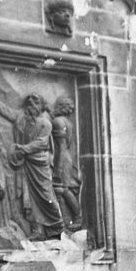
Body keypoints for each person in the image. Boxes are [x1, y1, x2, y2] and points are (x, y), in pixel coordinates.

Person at [8, 93, 65, 241]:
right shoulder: (22, 121)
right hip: (27, 164)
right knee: (28, 199)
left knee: (46, 196)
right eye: (29, 103)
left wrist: (23, 148)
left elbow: (41, 143)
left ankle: (58, 228)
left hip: (39, 163)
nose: (31, 106)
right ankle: (37, 230)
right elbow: (5, 112)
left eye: (35, 103)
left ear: (41, 106)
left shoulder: (45, 123)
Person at [51, 96, 83, 231]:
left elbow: (62, 147)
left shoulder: (58, 122)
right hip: (66, 158)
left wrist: (57, 168)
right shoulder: (67, 122)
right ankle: (66, 221)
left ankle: (77, 217)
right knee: (62, 189)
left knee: (63, 189)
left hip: (62, 159)